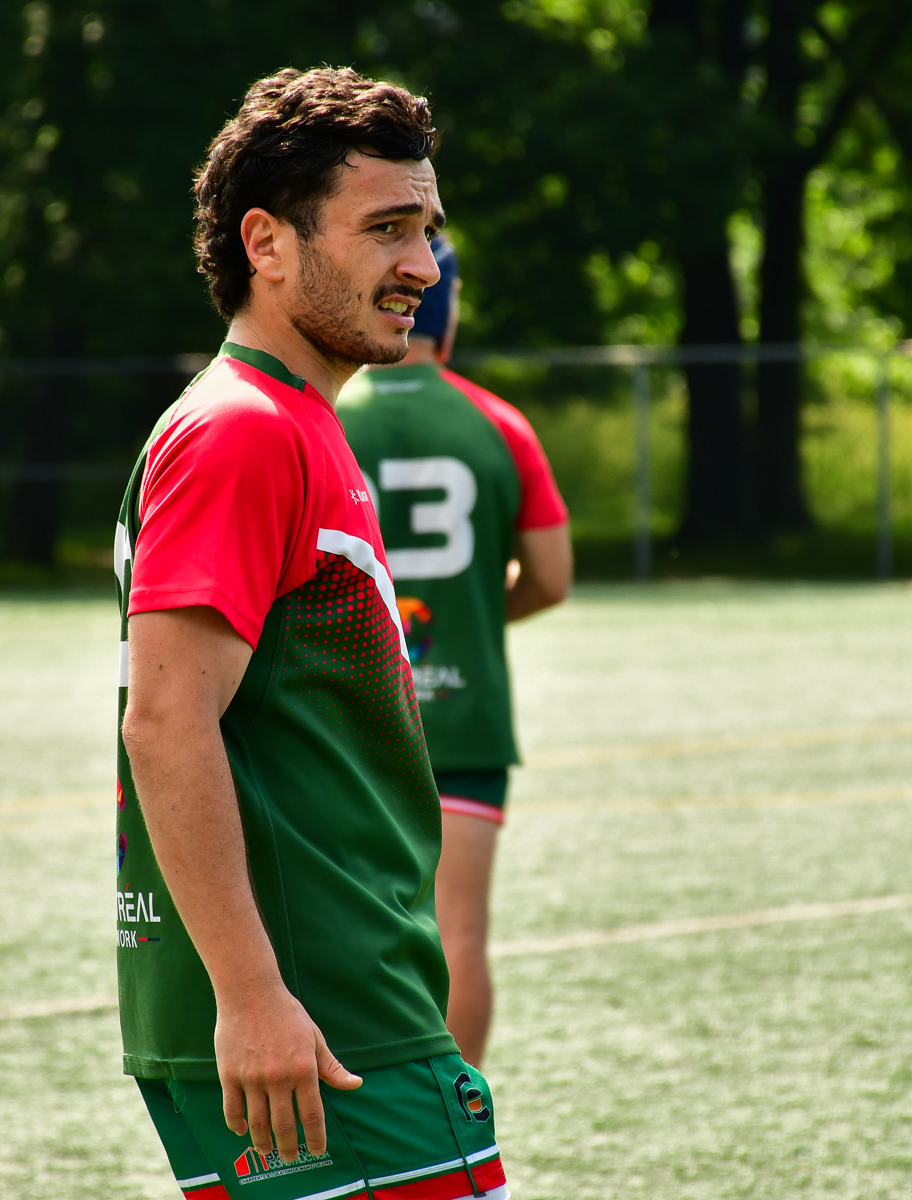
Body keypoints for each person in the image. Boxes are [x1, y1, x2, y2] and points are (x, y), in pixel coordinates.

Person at [114, 68, 510, 1199]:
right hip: (327, 1031)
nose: (423, 269)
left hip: (337, 1008)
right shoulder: (243, 432)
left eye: (427, 231)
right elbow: (168, 717)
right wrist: (251, 995)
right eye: (387, 230)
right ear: (268, 244)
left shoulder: (291, 423)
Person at [338, 235, 572, 1067]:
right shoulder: (498, 422)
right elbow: (551, 576)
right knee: (459, 930)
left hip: (350, 713)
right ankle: (456, 1118)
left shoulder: (325, 415)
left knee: (347, 932)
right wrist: (471, 616)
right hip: (464, 714)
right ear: (452, 307)